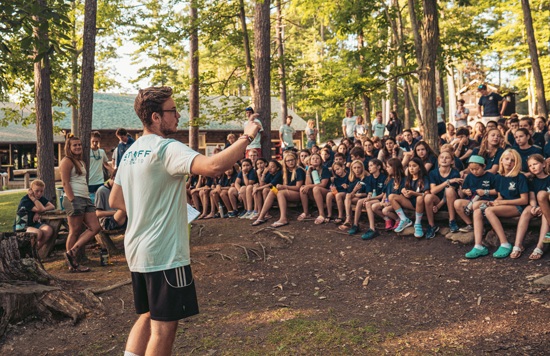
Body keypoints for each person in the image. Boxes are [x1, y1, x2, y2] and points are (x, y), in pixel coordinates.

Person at [109, 86, 260, 356]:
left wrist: (150, 204)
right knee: (163, 328)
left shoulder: (131, 152)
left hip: (137, 249)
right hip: (164, 253)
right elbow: (214, 167)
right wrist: (247, 137)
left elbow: (115, 201)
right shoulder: (167, 148)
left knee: (146, 315)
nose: (178, 115)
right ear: (156, 117)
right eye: (172, 111)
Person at [465, 149, 528, 259]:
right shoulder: (499, 177)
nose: (509, 162)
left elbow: (524, 200)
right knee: (478, 210)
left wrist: (502, 202)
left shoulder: (520, 177)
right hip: (504, 206)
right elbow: (500, 196)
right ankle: (478, 246)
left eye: (513, 160)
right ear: (501, 160)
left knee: (489, 210)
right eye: (507, 159)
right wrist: (494, 202)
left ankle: (505, 243)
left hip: (517, 207)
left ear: (517, 162)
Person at [60, 135, 102, 272]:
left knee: (95, 227)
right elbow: (65, 183)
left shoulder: (81, 162)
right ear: (69, 147)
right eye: (75, 145)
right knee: (75, 230)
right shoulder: (66, 161)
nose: (78, 147)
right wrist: (72, 200)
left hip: (85, 198)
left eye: (79, 145)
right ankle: (72, 264)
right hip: (74, 198)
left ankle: (73, 251)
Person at [511, 154, 550, 260]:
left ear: (543, 164)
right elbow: (532, 197)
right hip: (537, 205)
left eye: (535, 164)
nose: (533, 167)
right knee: (527, 210)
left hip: (547, 207)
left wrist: (542, 207)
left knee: (545, 216)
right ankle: (518, 244)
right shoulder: (532, 181)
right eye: (530, 165)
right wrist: (534, 207)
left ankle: (540, 246)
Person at [453, 155, 497, 232]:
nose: (474, 171)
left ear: (484, 166)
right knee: (457, 203)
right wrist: (465, 191)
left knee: (475, 204)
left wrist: (484, 192)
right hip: (471, 199)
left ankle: (482, 226)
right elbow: (464, 188)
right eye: (471, 169)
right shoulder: (470, 176)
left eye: (477, 169)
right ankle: (470, 224)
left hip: (486, 200)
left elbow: (497, 191)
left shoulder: (491, 176)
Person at [424, 151, 462, 235]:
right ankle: (431, 225)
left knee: (449, 190)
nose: (444, 159)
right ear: (438, 160)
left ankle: (452, 221)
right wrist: (447, 182)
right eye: (441, 157)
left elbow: (449, 193)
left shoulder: (455, 173)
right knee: (428, 197)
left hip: (451, 201)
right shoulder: (433, 173)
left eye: (447, 158)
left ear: (452, 161)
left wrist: (438, 206)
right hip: (437, 200)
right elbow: (433, 191)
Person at [390, 157, 430, 236]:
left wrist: (413, 193)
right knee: (391, 196)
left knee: (419, 198)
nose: (411, 168)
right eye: (409, 166)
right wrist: (404, 191)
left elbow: (427, 194)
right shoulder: (408, 178)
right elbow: (405, 192)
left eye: (414, 166)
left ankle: (418, 224)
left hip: (421, 205)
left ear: (419, 168)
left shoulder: (424, 178)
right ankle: (404, 219)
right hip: (411, 203)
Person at [14, 179, 55, 250]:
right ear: (31, 190)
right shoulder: (25, 201)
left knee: (48, 230)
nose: (39, 193)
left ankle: (34, 251)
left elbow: (52, 206)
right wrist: (33, 198)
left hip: (34, 224)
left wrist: (38, 212)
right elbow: (41, 209)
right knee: (37, 233)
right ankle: (26, 251)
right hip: (23, 226)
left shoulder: (40, 198)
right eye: (37, 191)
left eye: (41, 191)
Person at [89, 131, 112, 196]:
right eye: (93, 141)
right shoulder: (87, 152)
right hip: (89, 181)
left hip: (100, 181)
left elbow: (106, 164)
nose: (95, 143)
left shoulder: (102, 152)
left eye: (96, 141)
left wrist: (113, 172)